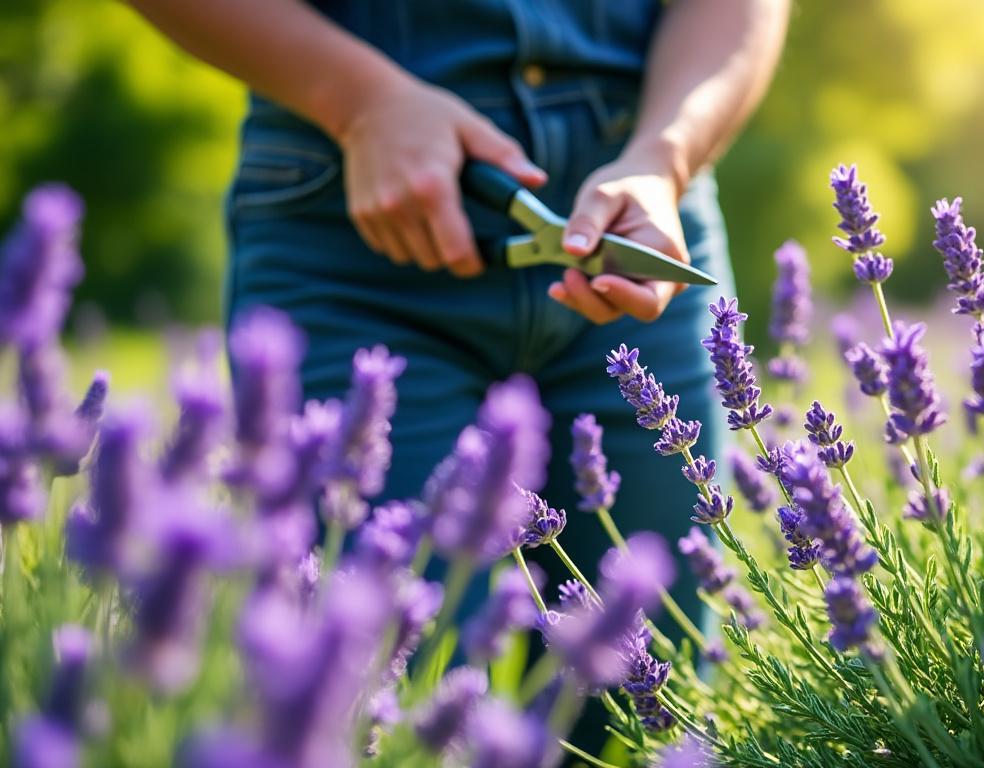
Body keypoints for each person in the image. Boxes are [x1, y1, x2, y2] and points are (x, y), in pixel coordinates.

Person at [125, 0, 788, 743]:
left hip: (637, 223)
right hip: (353, 231)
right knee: (390, 709)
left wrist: (666, 155)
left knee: (646, 721)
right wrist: (358, 101)